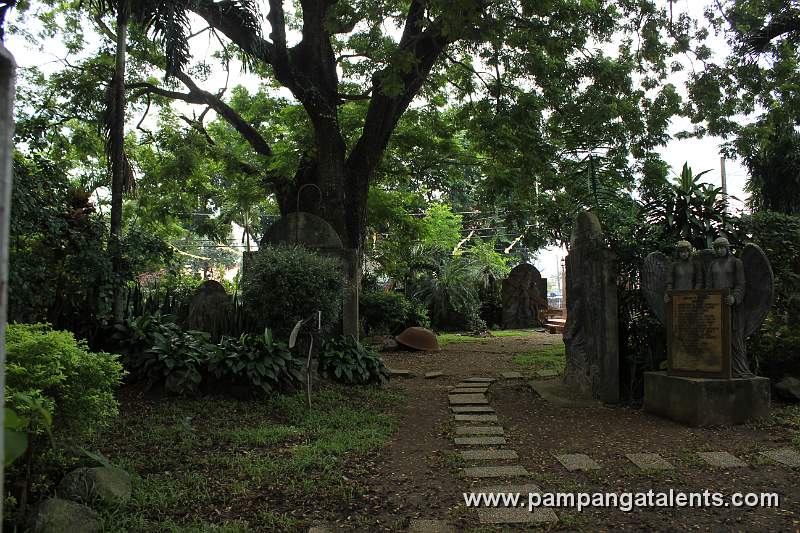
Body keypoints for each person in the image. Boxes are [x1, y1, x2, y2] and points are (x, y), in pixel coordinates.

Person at [705, 236, 750, 377]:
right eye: (717, 248)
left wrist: (734, 297)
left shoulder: (736, 262)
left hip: (732, 304)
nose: (719, 250)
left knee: (734, 336)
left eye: (722, 247)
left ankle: (737, 369)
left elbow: (741, 283)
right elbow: (708, 284)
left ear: (727, 248)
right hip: (715, 304)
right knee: (715, 335)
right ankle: (717, 367)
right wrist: (709, 299)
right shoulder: (712, 264)